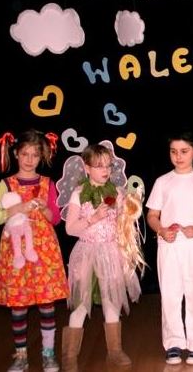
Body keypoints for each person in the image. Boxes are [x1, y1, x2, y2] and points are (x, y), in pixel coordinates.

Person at [56, 141, 145, 371]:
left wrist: (130, 209)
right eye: (99, 166)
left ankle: (115, 351)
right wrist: (93, 218)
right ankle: (69, 356)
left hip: (110, 253)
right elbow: (70, 229)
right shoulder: (79, 193)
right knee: (80, 305)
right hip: (86, 254)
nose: (105, 170)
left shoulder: (116, 192)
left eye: (108, 165)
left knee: (111, 302)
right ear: (86, 168)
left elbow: (123, 222)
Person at [0, 129, 68, 372]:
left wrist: (44, 209)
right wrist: (18, 208)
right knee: (18, 305)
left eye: (35, 155)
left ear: (42, 156)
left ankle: (48, 354)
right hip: (16, 254)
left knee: (46, 304)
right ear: (16, 153)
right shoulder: (6, 184)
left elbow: (55, 219)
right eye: (25, 154)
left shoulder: (47, 183)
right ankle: (21, 355)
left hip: (44, 253)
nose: (29, 159)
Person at [146, 132, 193, 365]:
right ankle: (173, 343)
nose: (178, 156)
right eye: (174, 152)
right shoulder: (162, 181)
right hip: (169, 246)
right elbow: (152, 215)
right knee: (170, 295)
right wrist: (161, 230)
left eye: (184, 151)